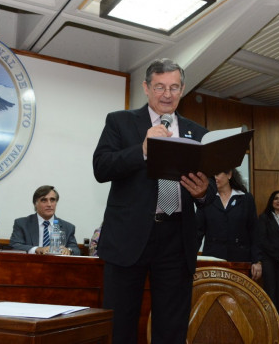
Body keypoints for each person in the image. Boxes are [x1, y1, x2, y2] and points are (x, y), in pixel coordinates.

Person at [93, 58, 215, 344]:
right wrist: (143, 149)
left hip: (177, 238)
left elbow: (207, 193)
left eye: (174, 87)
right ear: (146, 88)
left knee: (172, 328)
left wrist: (202, 193)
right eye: (159, 87)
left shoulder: (198, 133)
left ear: (182, 89)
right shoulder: (119, 122)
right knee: (120, 325)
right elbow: (101, 168)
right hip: (128, 238)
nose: (167, 94)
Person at [196, 168, 262, 280]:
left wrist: (257, 261)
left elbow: (254, 232)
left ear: (229, 175)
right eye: (211, 176)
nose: (214, 178)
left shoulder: (246, 199)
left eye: (217, 174)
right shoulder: (206, 199)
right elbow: (197, 232)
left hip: (240, 262)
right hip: (213, 260)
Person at [9, 185, 80, 256]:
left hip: (56, 265)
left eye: (52, 200)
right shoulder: (22, 224)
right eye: (44, 200)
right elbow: (14, 245)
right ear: (35, 204)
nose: (49, 204)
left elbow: (76, 250)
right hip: (30, 265)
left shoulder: (68, 227)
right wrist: (37, 249)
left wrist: (69, 250)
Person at [259, 190, 279, 341]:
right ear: (271, 201)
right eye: (276, 199)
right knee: (270, 296)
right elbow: (263, 241)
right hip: (269, 262)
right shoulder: (264, 218)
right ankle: (271, 333)